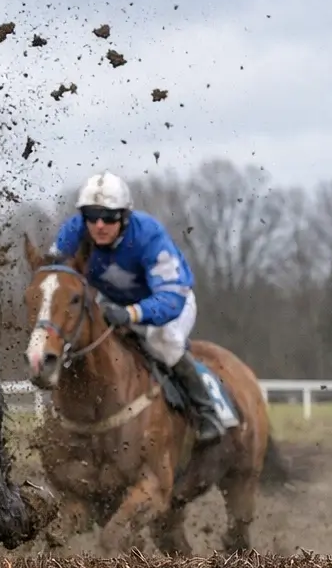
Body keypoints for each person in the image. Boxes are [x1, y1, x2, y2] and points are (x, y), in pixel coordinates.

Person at [50, 171, 226, 445]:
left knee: (162, 341)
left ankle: (207, 411)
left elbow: (171, 295)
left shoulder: (148, 236)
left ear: (124, 217)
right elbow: (55, 280)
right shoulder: (73, 233)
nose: (98, 225)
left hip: (169, 306)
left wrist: (132, 314)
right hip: (111, 303)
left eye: (108, 217)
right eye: (91, 216)